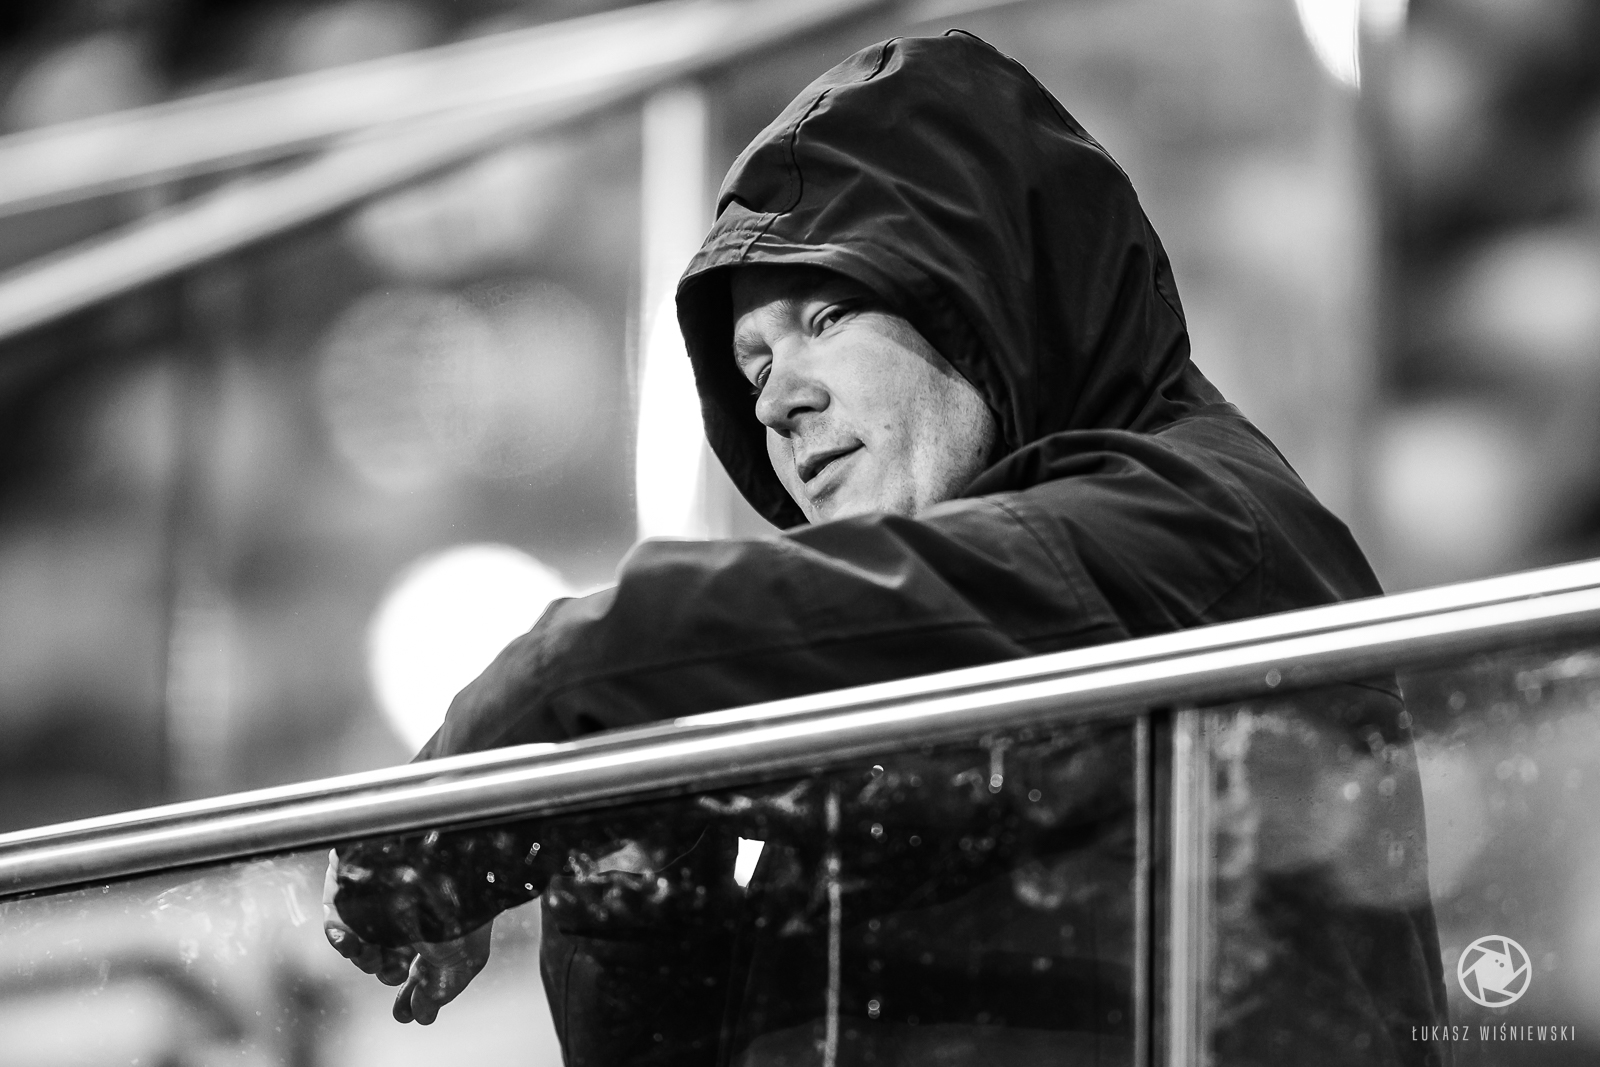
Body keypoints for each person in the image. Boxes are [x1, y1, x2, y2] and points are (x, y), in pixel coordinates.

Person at [323, 31, 1450, 1066]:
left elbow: (613, 657)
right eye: (754, 366)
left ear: (990, 292)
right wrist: (627, 857)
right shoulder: (881, 695)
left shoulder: (1196, 521)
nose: (779, 401)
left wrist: (464, 801)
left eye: (825, 318)